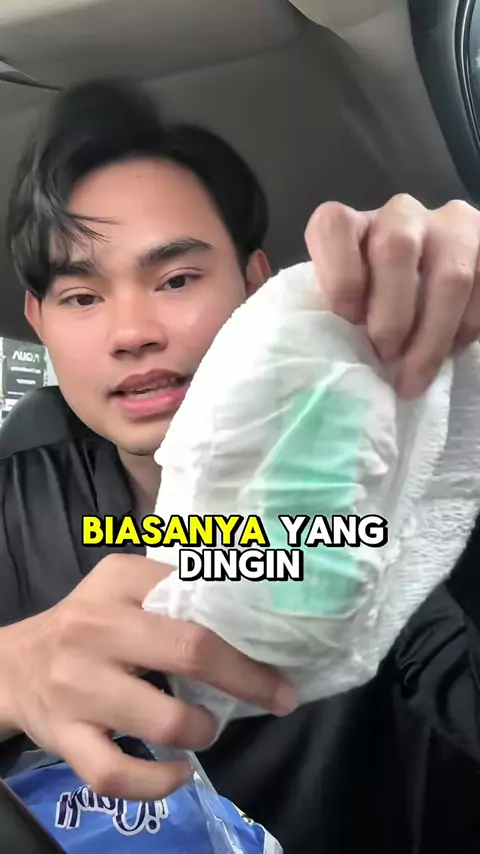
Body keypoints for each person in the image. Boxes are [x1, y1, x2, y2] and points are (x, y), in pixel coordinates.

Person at [1, 78, 480, 853]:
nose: (131, 332)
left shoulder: (374, 496)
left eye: (176, 280)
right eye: (82, 297)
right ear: (39, 322)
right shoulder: (17, 495)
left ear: (256, 285)